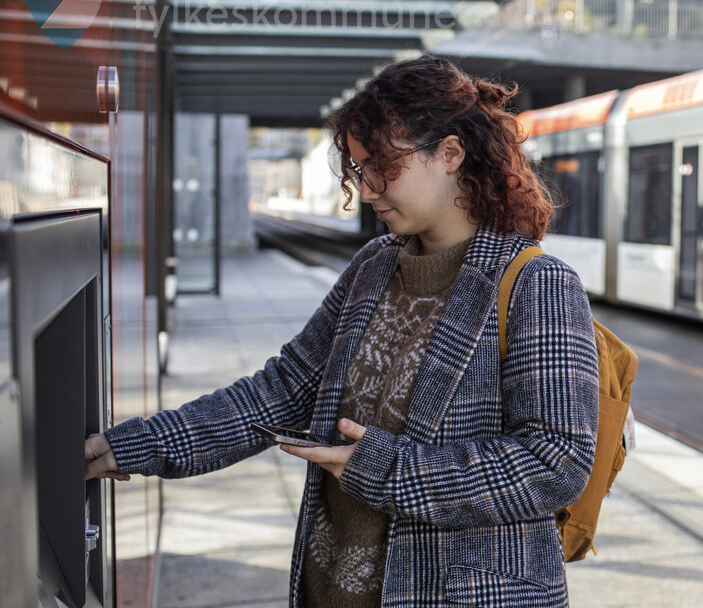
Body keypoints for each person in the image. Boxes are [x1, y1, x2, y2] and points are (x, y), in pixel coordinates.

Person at [85, 55, 600, 608]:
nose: (368, 188)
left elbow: (556, 461)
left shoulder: (536, 284)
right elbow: (281, 392)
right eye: (358, 170)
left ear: (450, 154)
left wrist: (384, 467)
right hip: (333, 589)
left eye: (383, 165)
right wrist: (134, 446)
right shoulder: (375, 266)